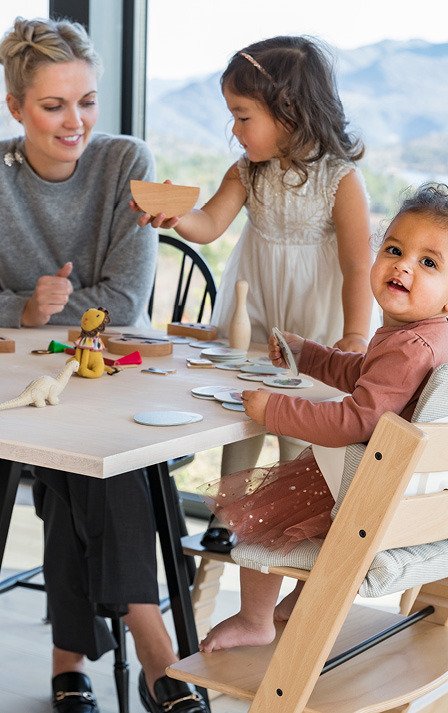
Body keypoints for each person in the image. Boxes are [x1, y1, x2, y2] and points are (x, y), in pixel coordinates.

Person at [196, 183, 448, 652]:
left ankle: (254, 619)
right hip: (386, 481)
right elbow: (362, 375)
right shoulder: (418, 337)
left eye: (428, 263)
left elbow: (357, 421)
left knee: (260, 518)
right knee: (294, 514)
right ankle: (298, 602)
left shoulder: (410, 348)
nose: (403, 265)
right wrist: (308, 355)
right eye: (394, 249)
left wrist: (276, 410)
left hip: (362, 486)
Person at [0, 17, 207, 713]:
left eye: (86, 101)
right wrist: (24, 311)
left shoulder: (126, 162)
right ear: (16, 108)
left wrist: (26, 310)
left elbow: (121, 303)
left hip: (113, 369)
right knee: (78, 456)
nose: (74, 122)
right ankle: (153, 652)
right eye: (53, 105)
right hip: (23, 378)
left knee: (96, 449)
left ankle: (80, 660)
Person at [134, 36, 374, 535]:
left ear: (290, 112)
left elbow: (357, 264)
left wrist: (354, 336)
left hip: (316, 326)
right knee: (241, 410)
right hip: (257, 315)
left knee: (299, 425)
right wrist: (175, 216)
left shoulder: (340, 180)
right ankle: (229, 516)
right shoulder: (248, 172)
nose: (235, 129)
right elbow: (209, 225)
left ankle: (288, 520)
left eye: (244, 116)